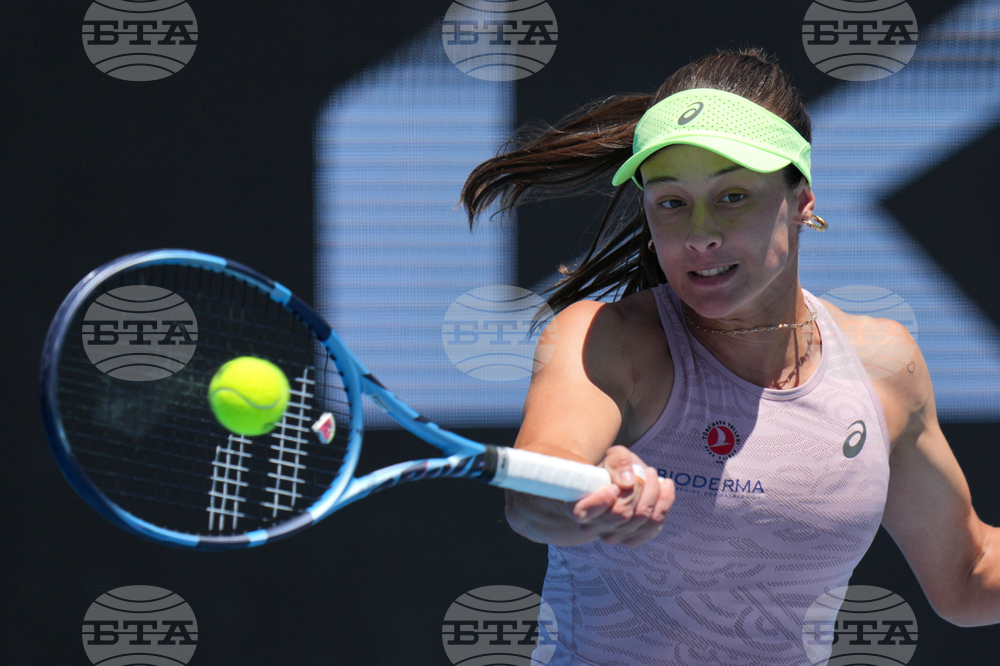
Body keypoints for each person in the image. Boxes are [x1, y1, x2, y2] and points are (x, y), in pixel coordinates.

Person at [460, 48, 999, 664]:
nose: (699, 234)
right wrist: (589, 492)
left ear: (802, 201)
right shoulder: (607, 339)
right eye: (671, 203)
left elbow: (970, 573)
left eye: (733, 196)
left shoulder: (884, 365)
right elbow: (536, 488)